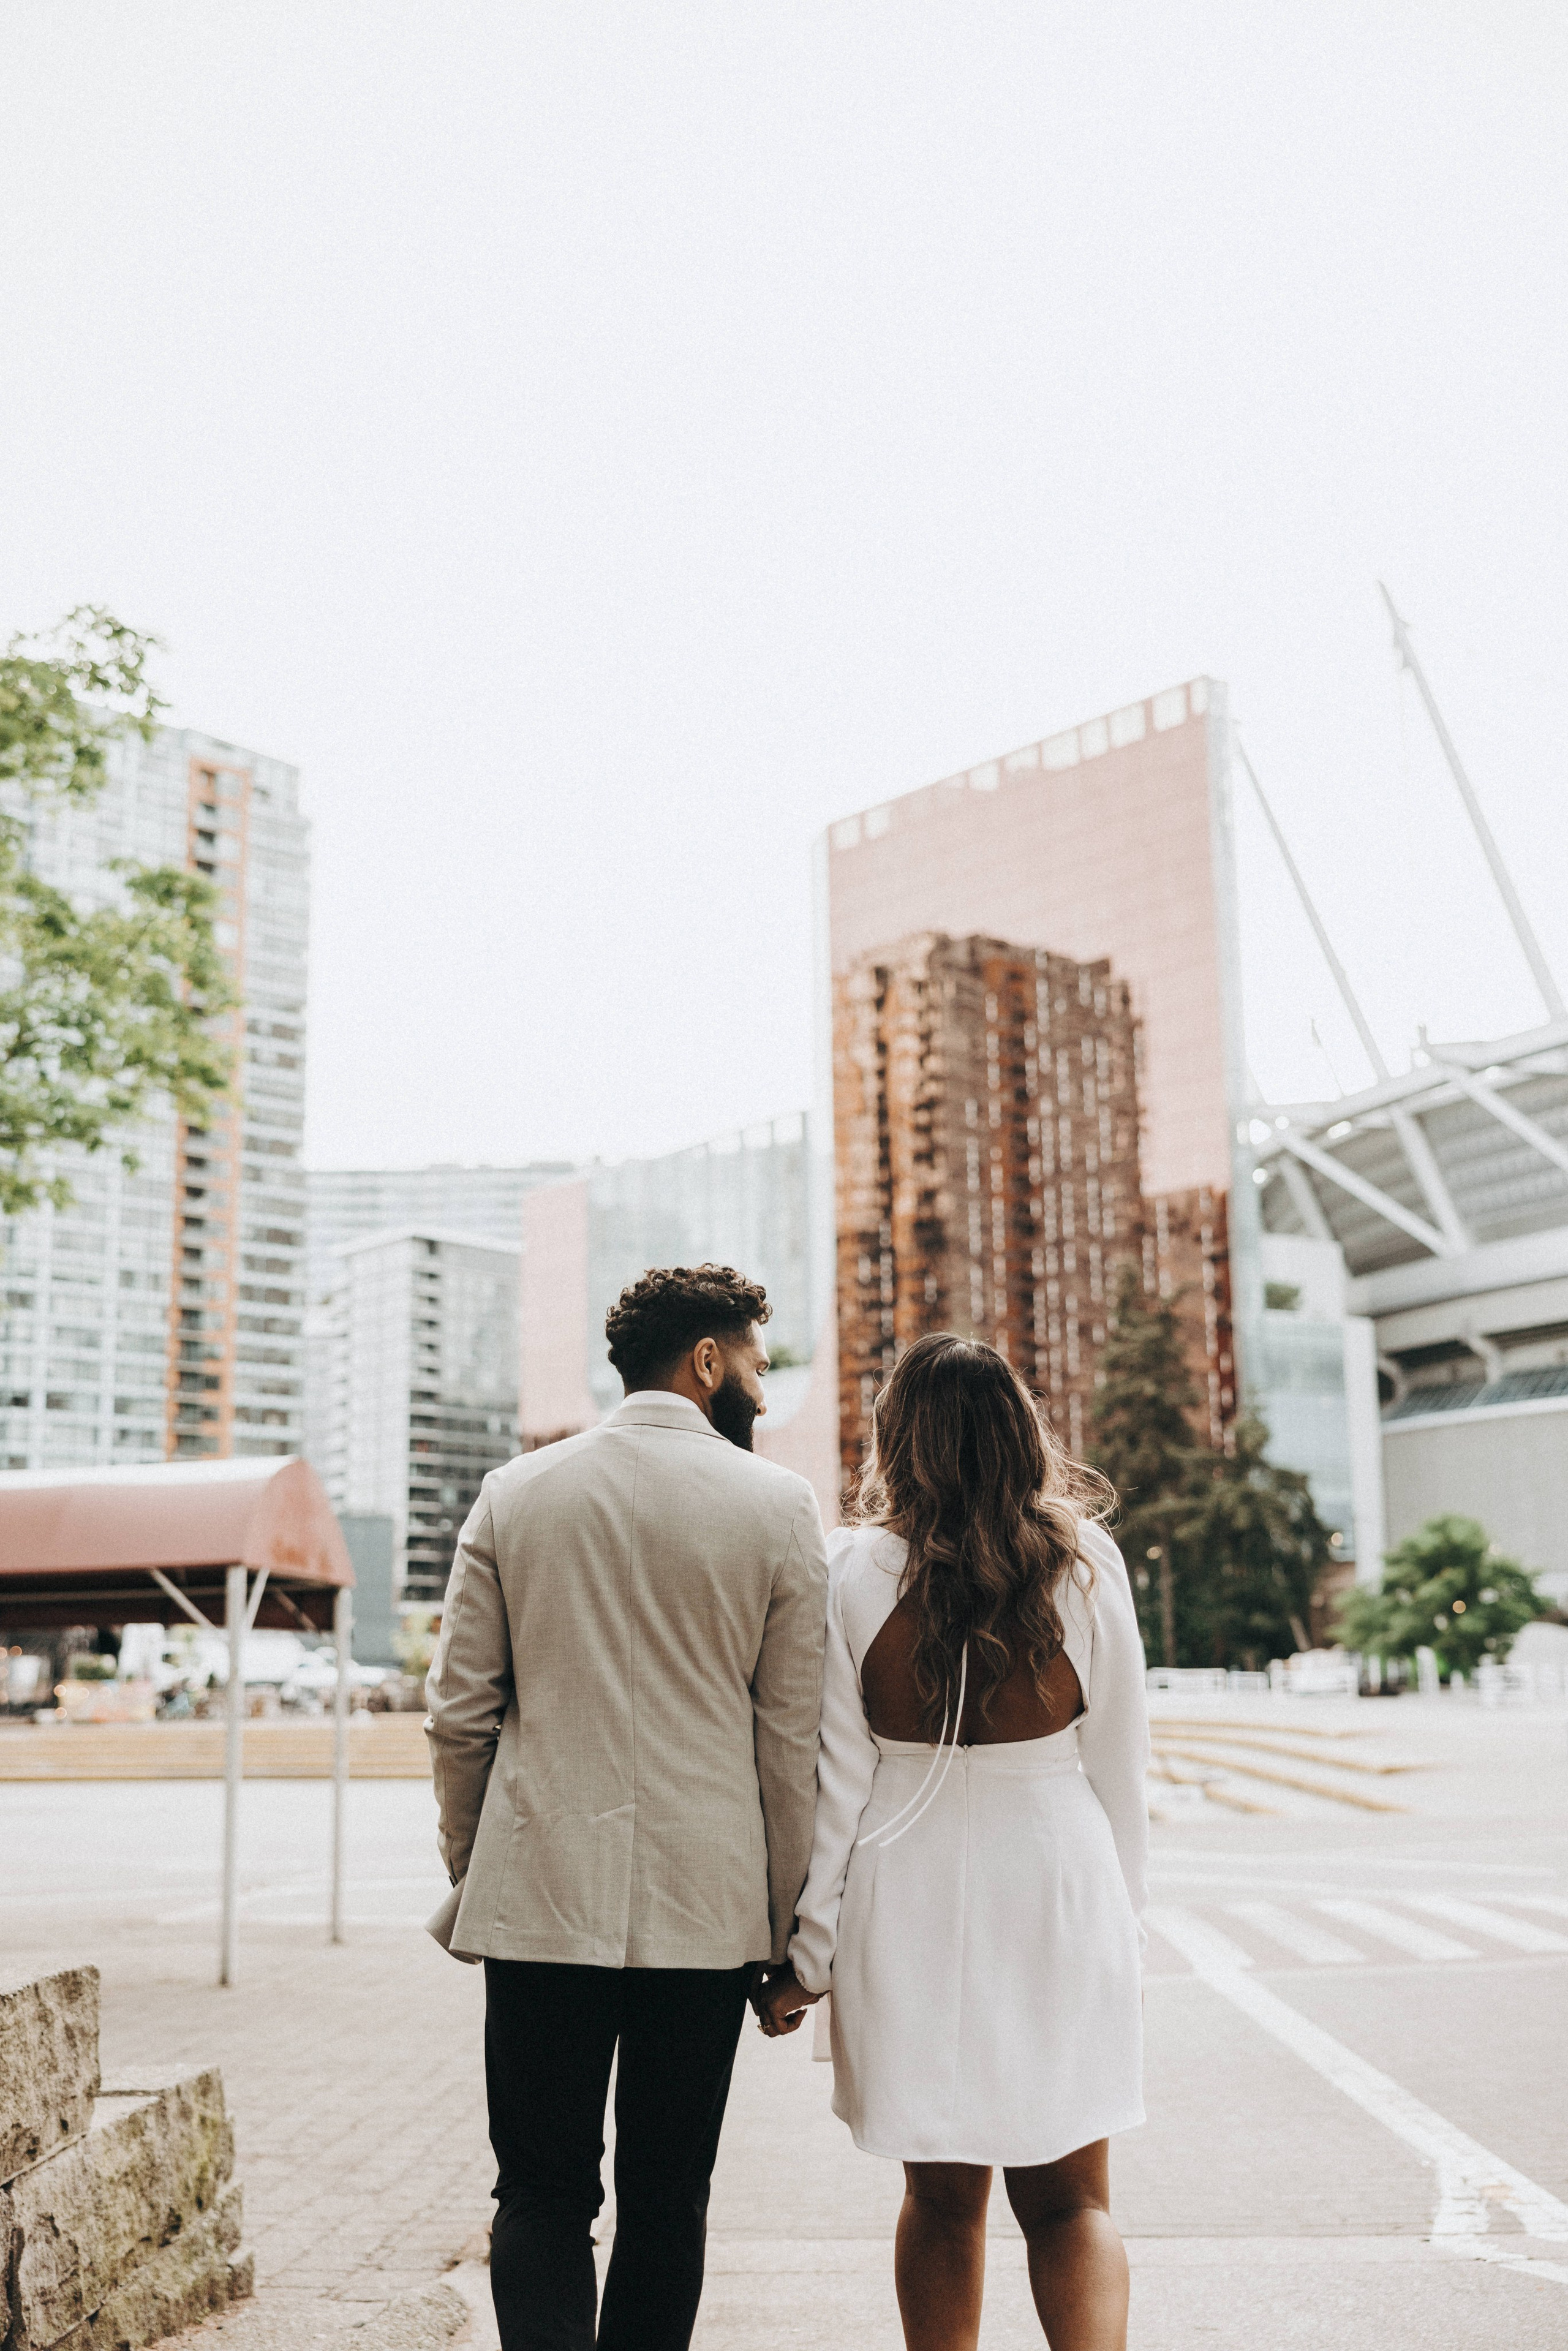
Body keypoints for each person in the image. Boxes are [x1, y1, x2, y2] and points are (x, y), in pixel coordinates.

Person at [425, 1263, 829, 2351]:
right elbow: (791, 1749)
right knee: (667, 2200)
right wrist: (791, 1931)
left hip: (539, 1901)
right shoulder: (781, 1507)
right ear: (707, 1361)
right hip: (705, 1920)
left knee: (542, 2192)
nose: (757, 1380)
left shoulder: (518, 1493)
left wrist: (479, 1867)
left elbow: (459, 1714)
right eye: (752, 1358)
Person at [758, 1332, 1148, 2351]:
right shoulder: (1084, 1561)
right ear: (1022, 1431)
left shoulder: (853, 1570)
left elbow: (834, 1787)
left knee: (938, 2198)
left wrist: (810, 1957)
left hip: (908, 1886)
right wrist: (1124, 1932)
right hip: (1058, 1882)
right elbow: (1120, 1770)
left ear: (900, 1440)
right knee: (1072, 2200)